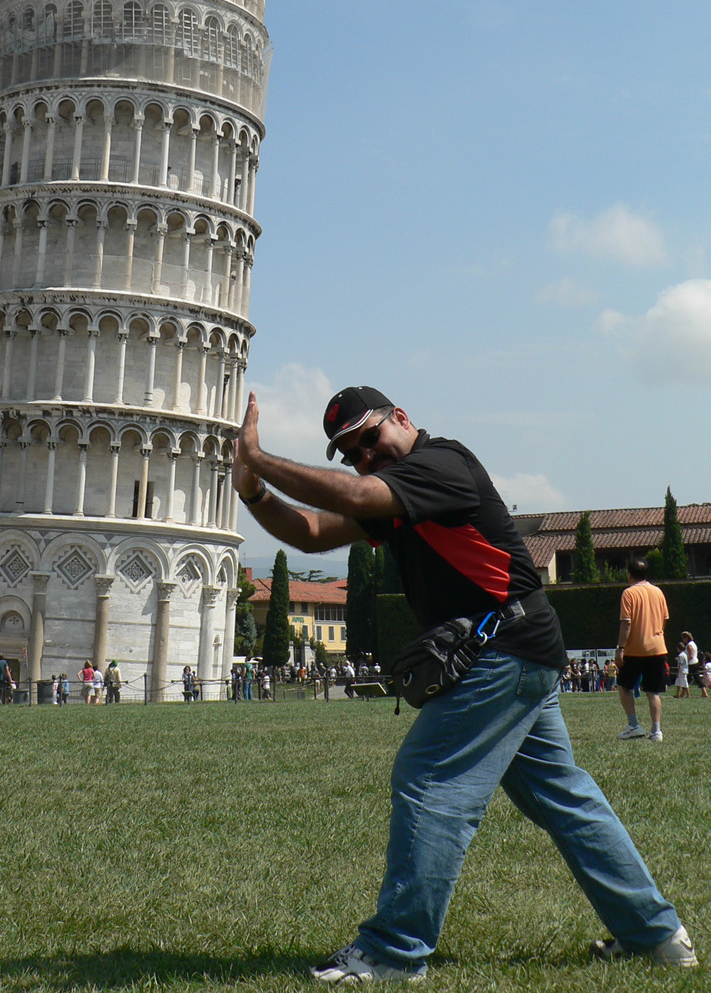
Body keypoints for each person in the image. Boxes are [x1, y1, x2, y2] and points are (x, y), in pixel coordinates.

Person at [233, 385, 697, 979]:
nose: (366, 458)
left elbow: (356, 494)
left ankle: (395, 951)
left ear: (401, 418)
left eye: (369, 439)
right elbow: (314, 534)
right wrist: (252, 489)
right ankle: (657, 937)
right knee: (564, 800)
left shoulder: (440, 464)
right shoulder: (398, 495)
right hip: (518, 647)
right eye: (352, 454)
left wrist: (262, 457)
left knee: (428, 783)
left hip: (503, 650)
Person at [615, 559, 669, 742]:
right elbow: (664, 619)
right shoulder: (658, 592)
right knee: (653, 691)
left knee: (624, 685)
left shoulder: (628, 593)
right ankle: (656, 731)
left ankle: (633, 725)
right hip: (657, 647)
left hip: (634, 649)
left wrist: (620, 648)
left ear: (629, 574)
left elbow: (626, 623)